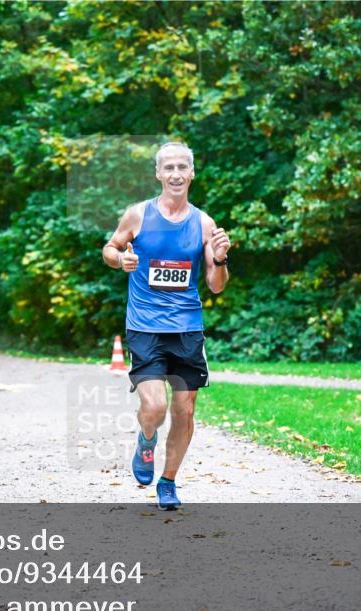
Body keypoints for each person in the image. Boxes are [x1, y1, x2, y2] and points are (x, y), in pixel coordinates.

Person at [101, 142, 231, 510]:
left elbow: (216, 285)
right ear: (158, 173)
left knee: (185, 410)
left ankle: (169, 481)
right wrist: (120, 260)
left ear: (192, 173)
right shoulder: (138, 215)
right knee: (155, 407)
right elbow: (110, 248)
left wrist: (221, 259)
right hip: (145, 327)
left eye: (182, 167)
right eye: (169, 167)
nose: (175, 174)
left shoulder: (204, 224)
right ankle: (146, 439)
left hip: (187, 328)